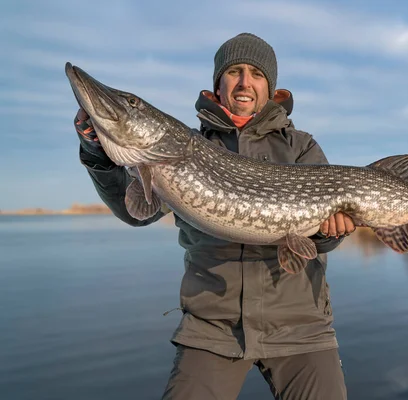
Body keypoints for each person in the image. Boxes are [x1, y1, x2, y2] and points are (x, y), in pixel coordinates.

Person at [74, 33, 355, 399]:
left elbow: (320, 236)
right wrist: (96, 154)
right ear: (217, 85)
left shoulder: (300, 146)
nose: (244, 82)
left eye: (255, 73)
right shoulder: (184, 148)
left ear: (270, 87)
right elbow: (136, 213)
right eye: (234, 72)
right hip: (211, 327)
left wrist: (330, 233)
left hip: (299, 325)